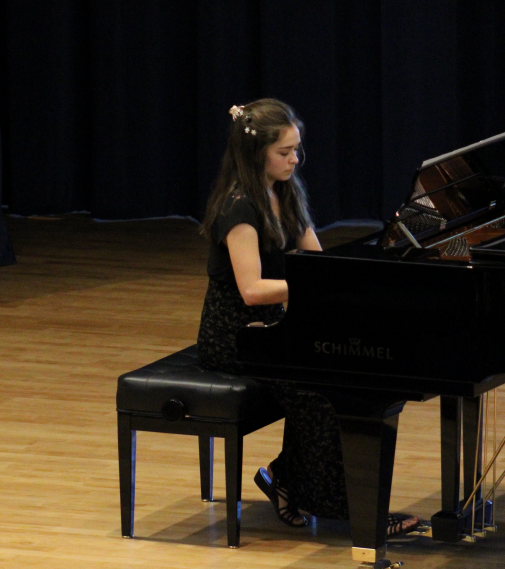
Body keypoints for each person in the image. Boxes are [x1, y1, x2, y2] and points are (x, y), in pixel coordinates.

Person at [196, 98, 419, 536]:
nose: (295, 159)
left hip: (276, 323)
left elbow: (317, 262)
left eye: (297, 149)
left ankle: (287, 478)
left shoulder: (285, 192)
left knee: (349, 375)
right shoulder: (238, 207)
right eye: (285, 152)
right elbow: (252, 290)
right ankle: (351, 510)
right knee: (320, 394)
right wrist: (315, 288)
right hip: (237, 333)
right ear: (255, 152)